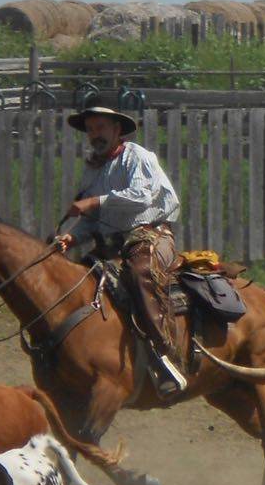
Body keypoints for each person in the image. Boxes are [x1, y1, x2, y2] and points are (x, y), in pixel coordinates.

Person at [56, 104, 187, 396]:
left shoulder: (136, 156)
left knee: (141, 275)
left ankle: (164, 357)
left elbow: (141, 198)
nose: (95, 134)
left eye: (101, 127)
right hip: (110, 245)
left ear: (117, 130)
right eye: (90, 129)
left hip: (150, 236)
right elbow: (90, 221)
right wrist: (71, 238)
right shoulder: (93, 169)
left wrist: (93, 202)